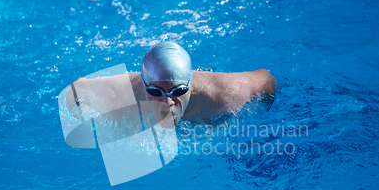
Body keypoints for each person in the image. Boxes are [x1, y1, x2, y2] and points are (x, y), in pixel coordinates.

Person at [66, 41, 278, 129]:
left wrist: (265, 119)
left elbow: (266, 79)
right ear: (143, 84)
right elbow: (75, 90)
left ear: (190, 84)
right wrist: (83, 120)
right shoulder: (121, 93)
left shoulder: (223, 95)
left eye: (178, 91)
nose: (167, 102)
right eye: (155, 91)